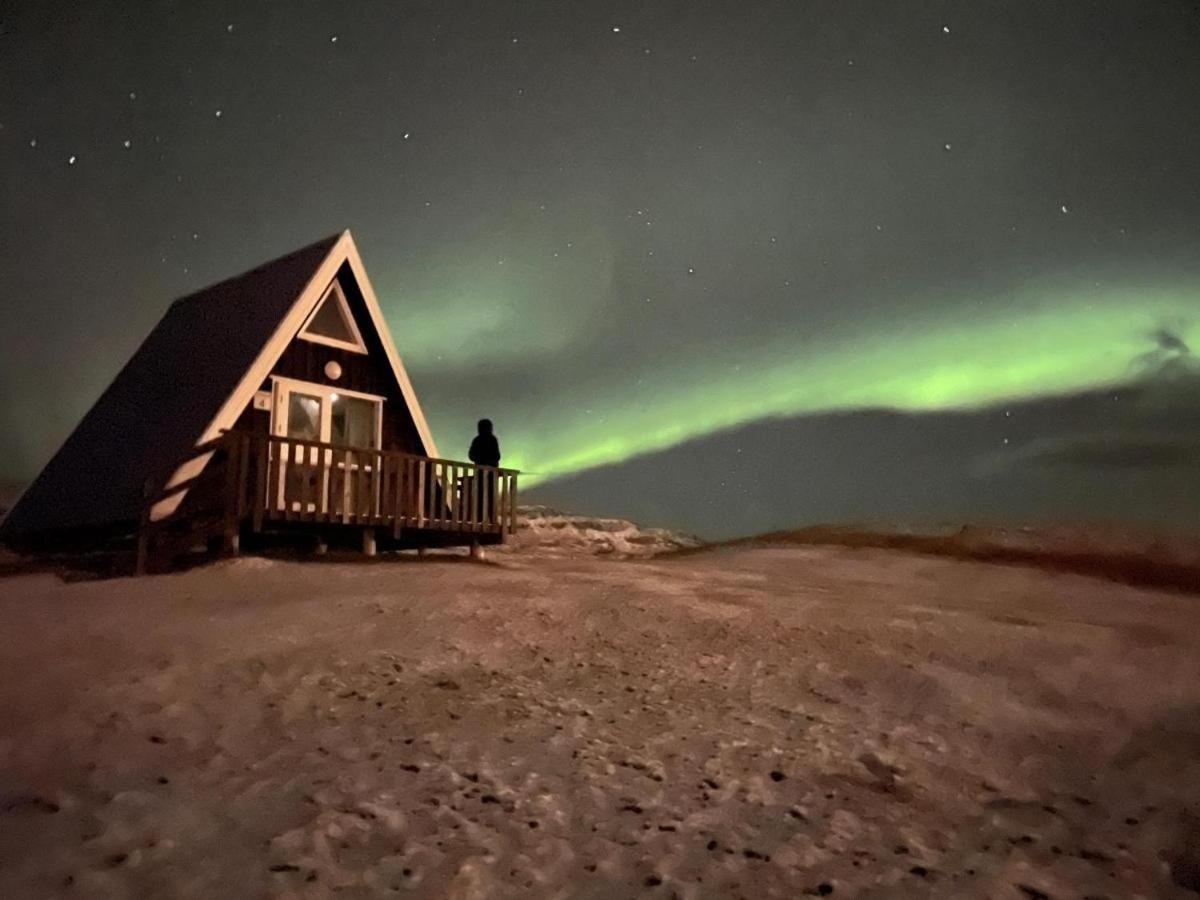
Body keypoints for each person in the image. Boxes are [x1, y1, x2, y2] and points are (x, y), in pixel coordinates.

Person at [468, 419, 500, 523]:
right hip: (490, 475)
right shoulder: (492, 439)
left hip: (481, 474)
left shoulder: (477, 440)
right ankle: (491, 519)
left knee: (480, 496)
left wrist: (480, 460)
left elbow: (471, 455)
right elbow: (497, 456)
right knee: (490, 496)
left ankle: (480, 519)